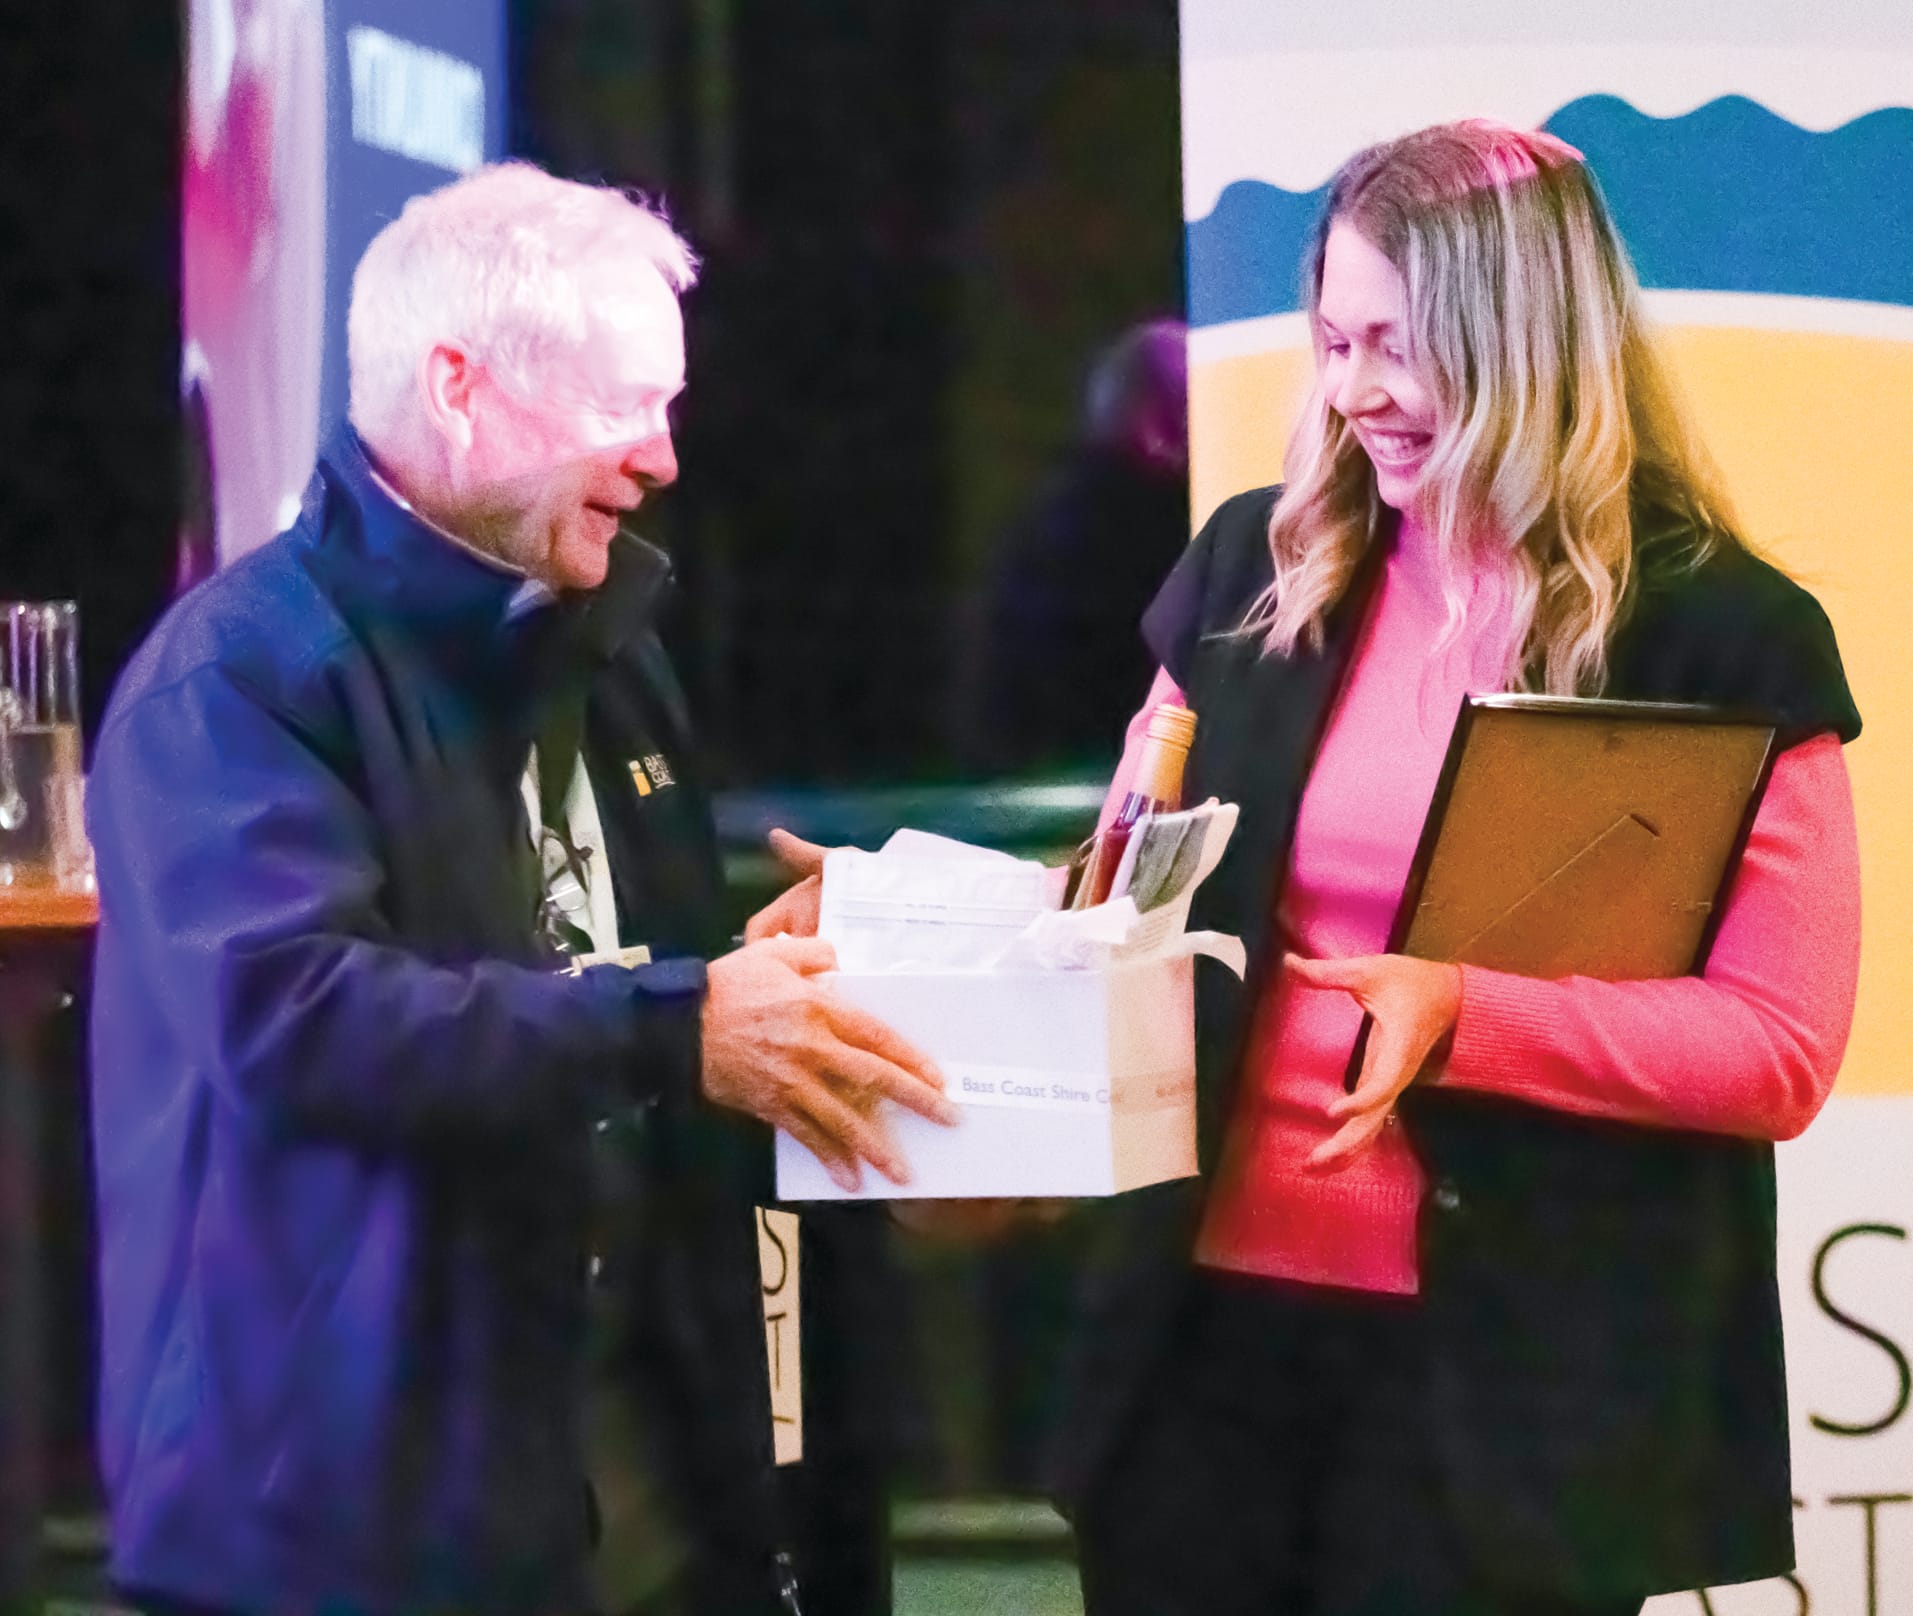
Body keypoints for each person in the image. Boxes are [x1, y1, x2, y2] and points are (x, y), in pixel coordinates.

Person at [86, 161, 956, 1616]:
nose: (664, 455)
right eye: (625, 403)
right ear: (458, 385)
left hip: (622, 1494)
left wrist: (771, 973)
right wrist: (681, 1024)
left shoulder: (608, 637)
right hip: (334, 1536)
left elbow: (633, 983)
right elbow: (294, 1019)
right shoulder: (231, 681)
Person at [1057, 120, 1862, 1616]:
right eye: (1334, 340)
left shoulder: (1717, 634)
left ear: (1530, 340)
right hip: (1200, 1352)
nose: (1358, 393)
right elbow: (1122, 882)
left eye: (1405, 346)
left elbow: (1778, 1047)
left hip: (1506, 1392)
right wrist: (934, 928)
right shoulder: (1252, 569)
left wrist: (1468, 1012)